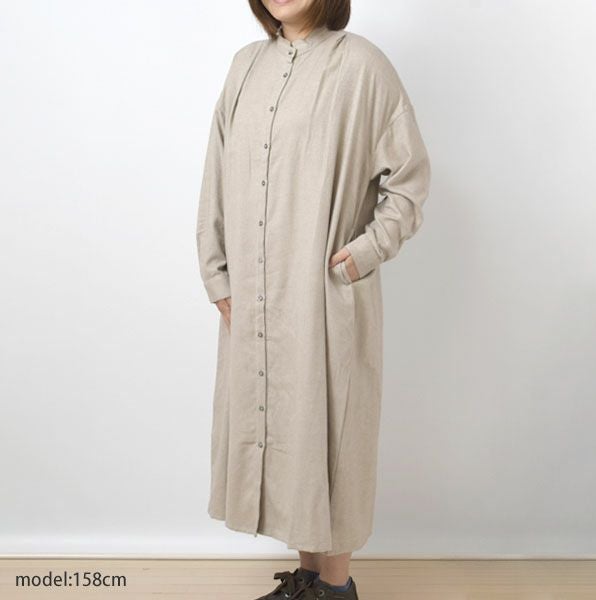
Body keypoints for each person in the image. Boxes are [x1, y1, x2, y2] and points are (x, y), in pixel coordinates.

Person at [196, 0, 431, 598]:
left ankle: (336, 586)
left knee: (331, 433)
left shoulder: (362, 66)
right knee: (285, 434)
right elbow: (216, 173)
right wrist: (217, 274)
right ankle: (307, 579)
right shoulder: (245, 66)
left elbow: (408, 180)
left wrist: (365, 252)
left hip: (323, 293)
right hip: (253, 296)